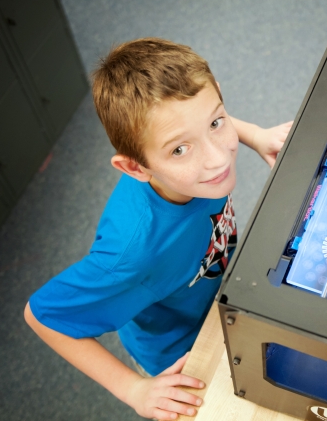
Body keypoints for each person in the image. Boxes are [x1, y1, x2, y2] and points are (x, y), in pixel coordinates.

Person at [24, 38, 292, 420]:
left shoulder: (191, 163)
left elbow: (199, 122)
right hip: (181, 348)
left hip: (214, 290)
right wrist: (133, 390)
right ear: (136, 168)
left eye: (216, 123)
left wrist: (254, 135)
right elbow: (42, 315)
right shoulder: (132, 254)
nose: (218, 159)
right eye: (179, 150)